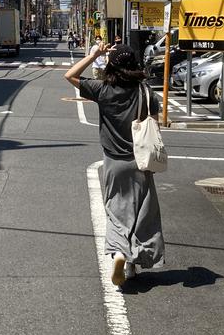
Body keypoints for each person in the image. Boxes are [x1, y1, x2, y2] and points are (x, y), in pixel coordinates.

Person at [65, 40, 165, 287]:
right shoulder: (145, 92)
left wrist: (94, 55)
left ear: (111, 65)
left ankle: (120, 254)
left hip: (113, 161)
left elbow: (70, 75)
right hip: (141, 162)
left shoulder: (103, 89)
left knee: (116, 211)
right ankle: (132, 263)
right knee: (142, 212)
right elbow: (155, 125)